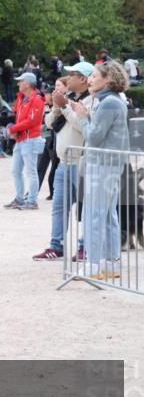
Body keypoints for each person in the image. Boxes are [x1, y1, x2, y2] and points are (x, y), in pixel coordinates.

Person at [68, 62, 130, 279]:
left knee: (94, 215)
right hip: (110, 165)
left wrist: (83, 117)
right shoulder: (114, 102)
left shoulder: (108, 103)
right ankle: (110, 263)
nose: (90, 80)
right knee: (107, 215)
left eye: (94, 76)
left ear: (108, 79)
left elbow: (94, 137)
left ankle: (93, 265)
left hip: (102, 165)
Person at [33, 62, 97, 261]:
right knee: (59, 207)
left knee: (87, 207)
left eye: (72, 74)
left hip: (81, 162)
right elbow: (50, 123)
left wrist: (65, 107)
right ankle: (56, 245)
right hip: (63, 162)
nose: (67, 78)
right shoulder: (70, 99)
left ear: (83, 79)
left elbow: (82, 127)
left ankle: (85, 246)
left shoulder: (91, 101)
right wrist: (57, 106)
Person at [3, 72, 45, 210]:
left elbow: (32, 121)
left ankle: (32, 201)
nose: (18, 83)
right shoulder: (22, 98)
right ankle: (20, 198)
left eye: (20, 81)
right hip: (21, 138)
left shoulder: (37, 99)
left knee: (31, 171)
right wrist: (13, 129)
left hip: (30, 139)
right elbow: (18, 117)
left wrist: (13, 128)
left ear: (27, 83)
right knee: (16, 170)